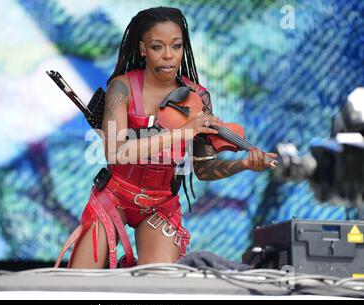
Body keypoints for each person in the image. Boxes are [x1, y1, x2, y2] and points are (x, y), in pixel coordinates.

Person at [54, 6, 278, 269]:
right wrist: (182, 132)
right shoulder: (121, 87)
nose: (169, 55)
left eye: (176, 46)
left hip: (161, 204)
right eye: (158, 47)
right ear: (142, 49)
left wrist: (243, 164)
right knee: (78, 281)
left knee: (159, 284)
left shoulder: (198, 97)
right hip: (115, 196)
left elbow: (203, 170)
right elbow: (116, 152)